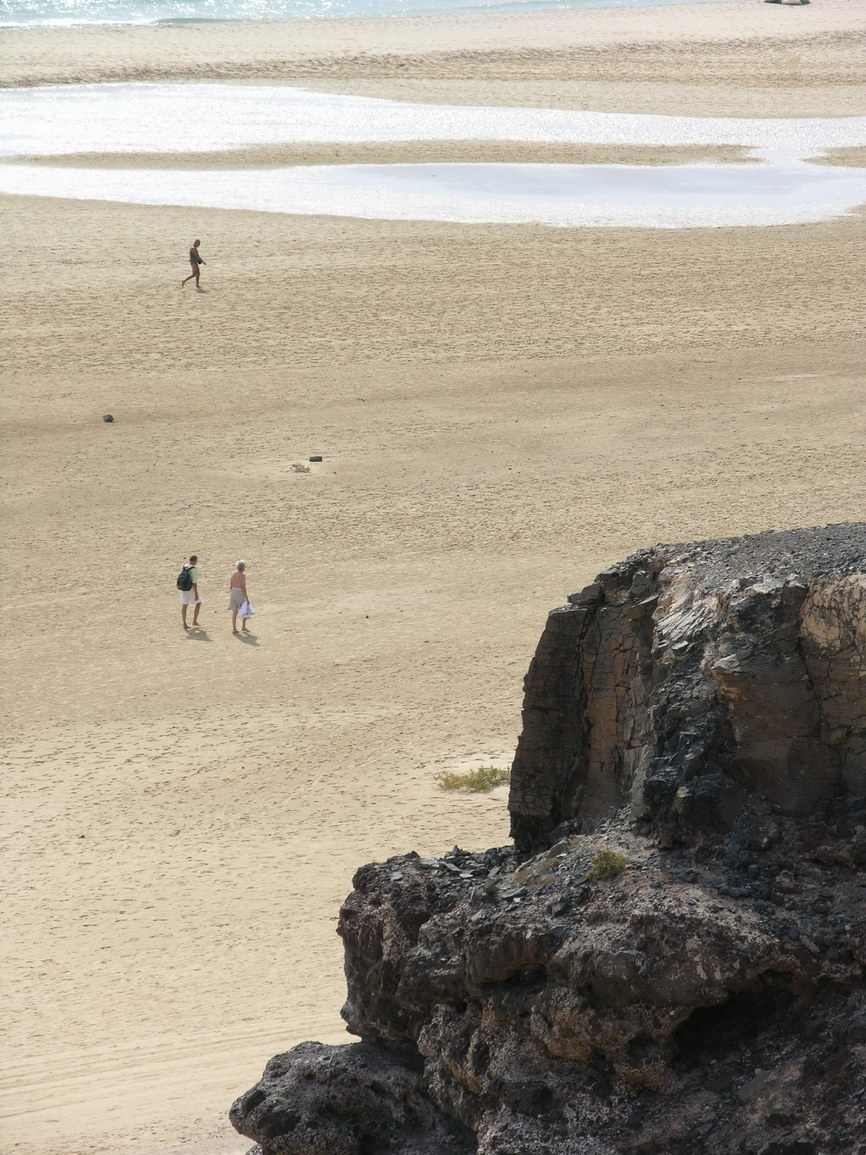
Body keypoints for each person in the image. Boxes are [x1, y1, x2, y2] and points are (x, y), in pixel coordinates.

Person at [229, 561, 251, 635]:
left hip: (233, 591)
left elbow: (231, 583)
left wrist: (231, 591)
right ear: (242, 568)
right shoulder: (242, 576)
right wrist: (247, 599)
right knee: (245, 609)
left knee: (234, 611)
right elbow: (243, 587)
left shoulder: (234, 573)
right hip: (239, 592)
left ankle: (234, 628)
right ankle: (243, 627)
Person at [180, 554, 201, 629]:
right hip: (190, 589)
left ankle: (184, 624)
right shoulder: (194, 569)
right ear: (195, 561)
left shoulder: (184, 566)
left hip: (182, 588)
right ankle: (194, 621)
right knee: (198, 603)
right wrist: (196, 593)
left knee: (184, 606)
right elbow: (194, 582)